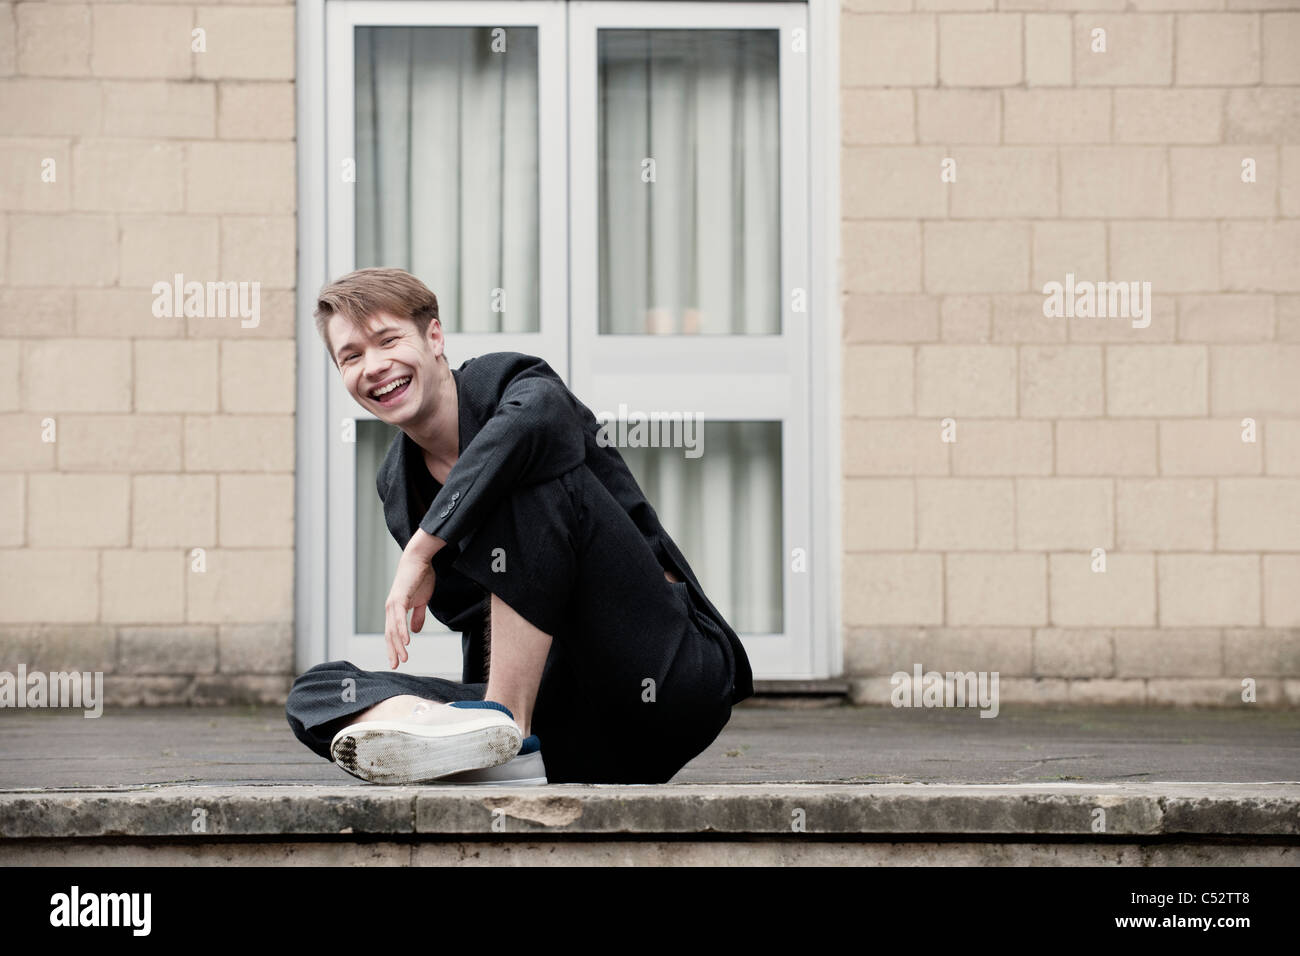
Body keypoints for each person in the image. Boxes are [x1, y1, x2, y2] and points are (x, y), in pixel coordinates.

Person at [285, 267, 753, 784]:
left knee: (521, 469)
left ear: (435, 337)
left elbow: (534, 428)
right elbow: (481, 622)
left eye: (388, 340)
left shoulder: (514, 387)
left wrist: (421, 549)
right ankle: (454, 733)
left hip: (664, 681)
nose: (373, 366)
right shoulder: (399, 486)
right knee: (318, 692)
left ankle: (497, 729)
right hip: (564, 732)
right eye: (351, 357)